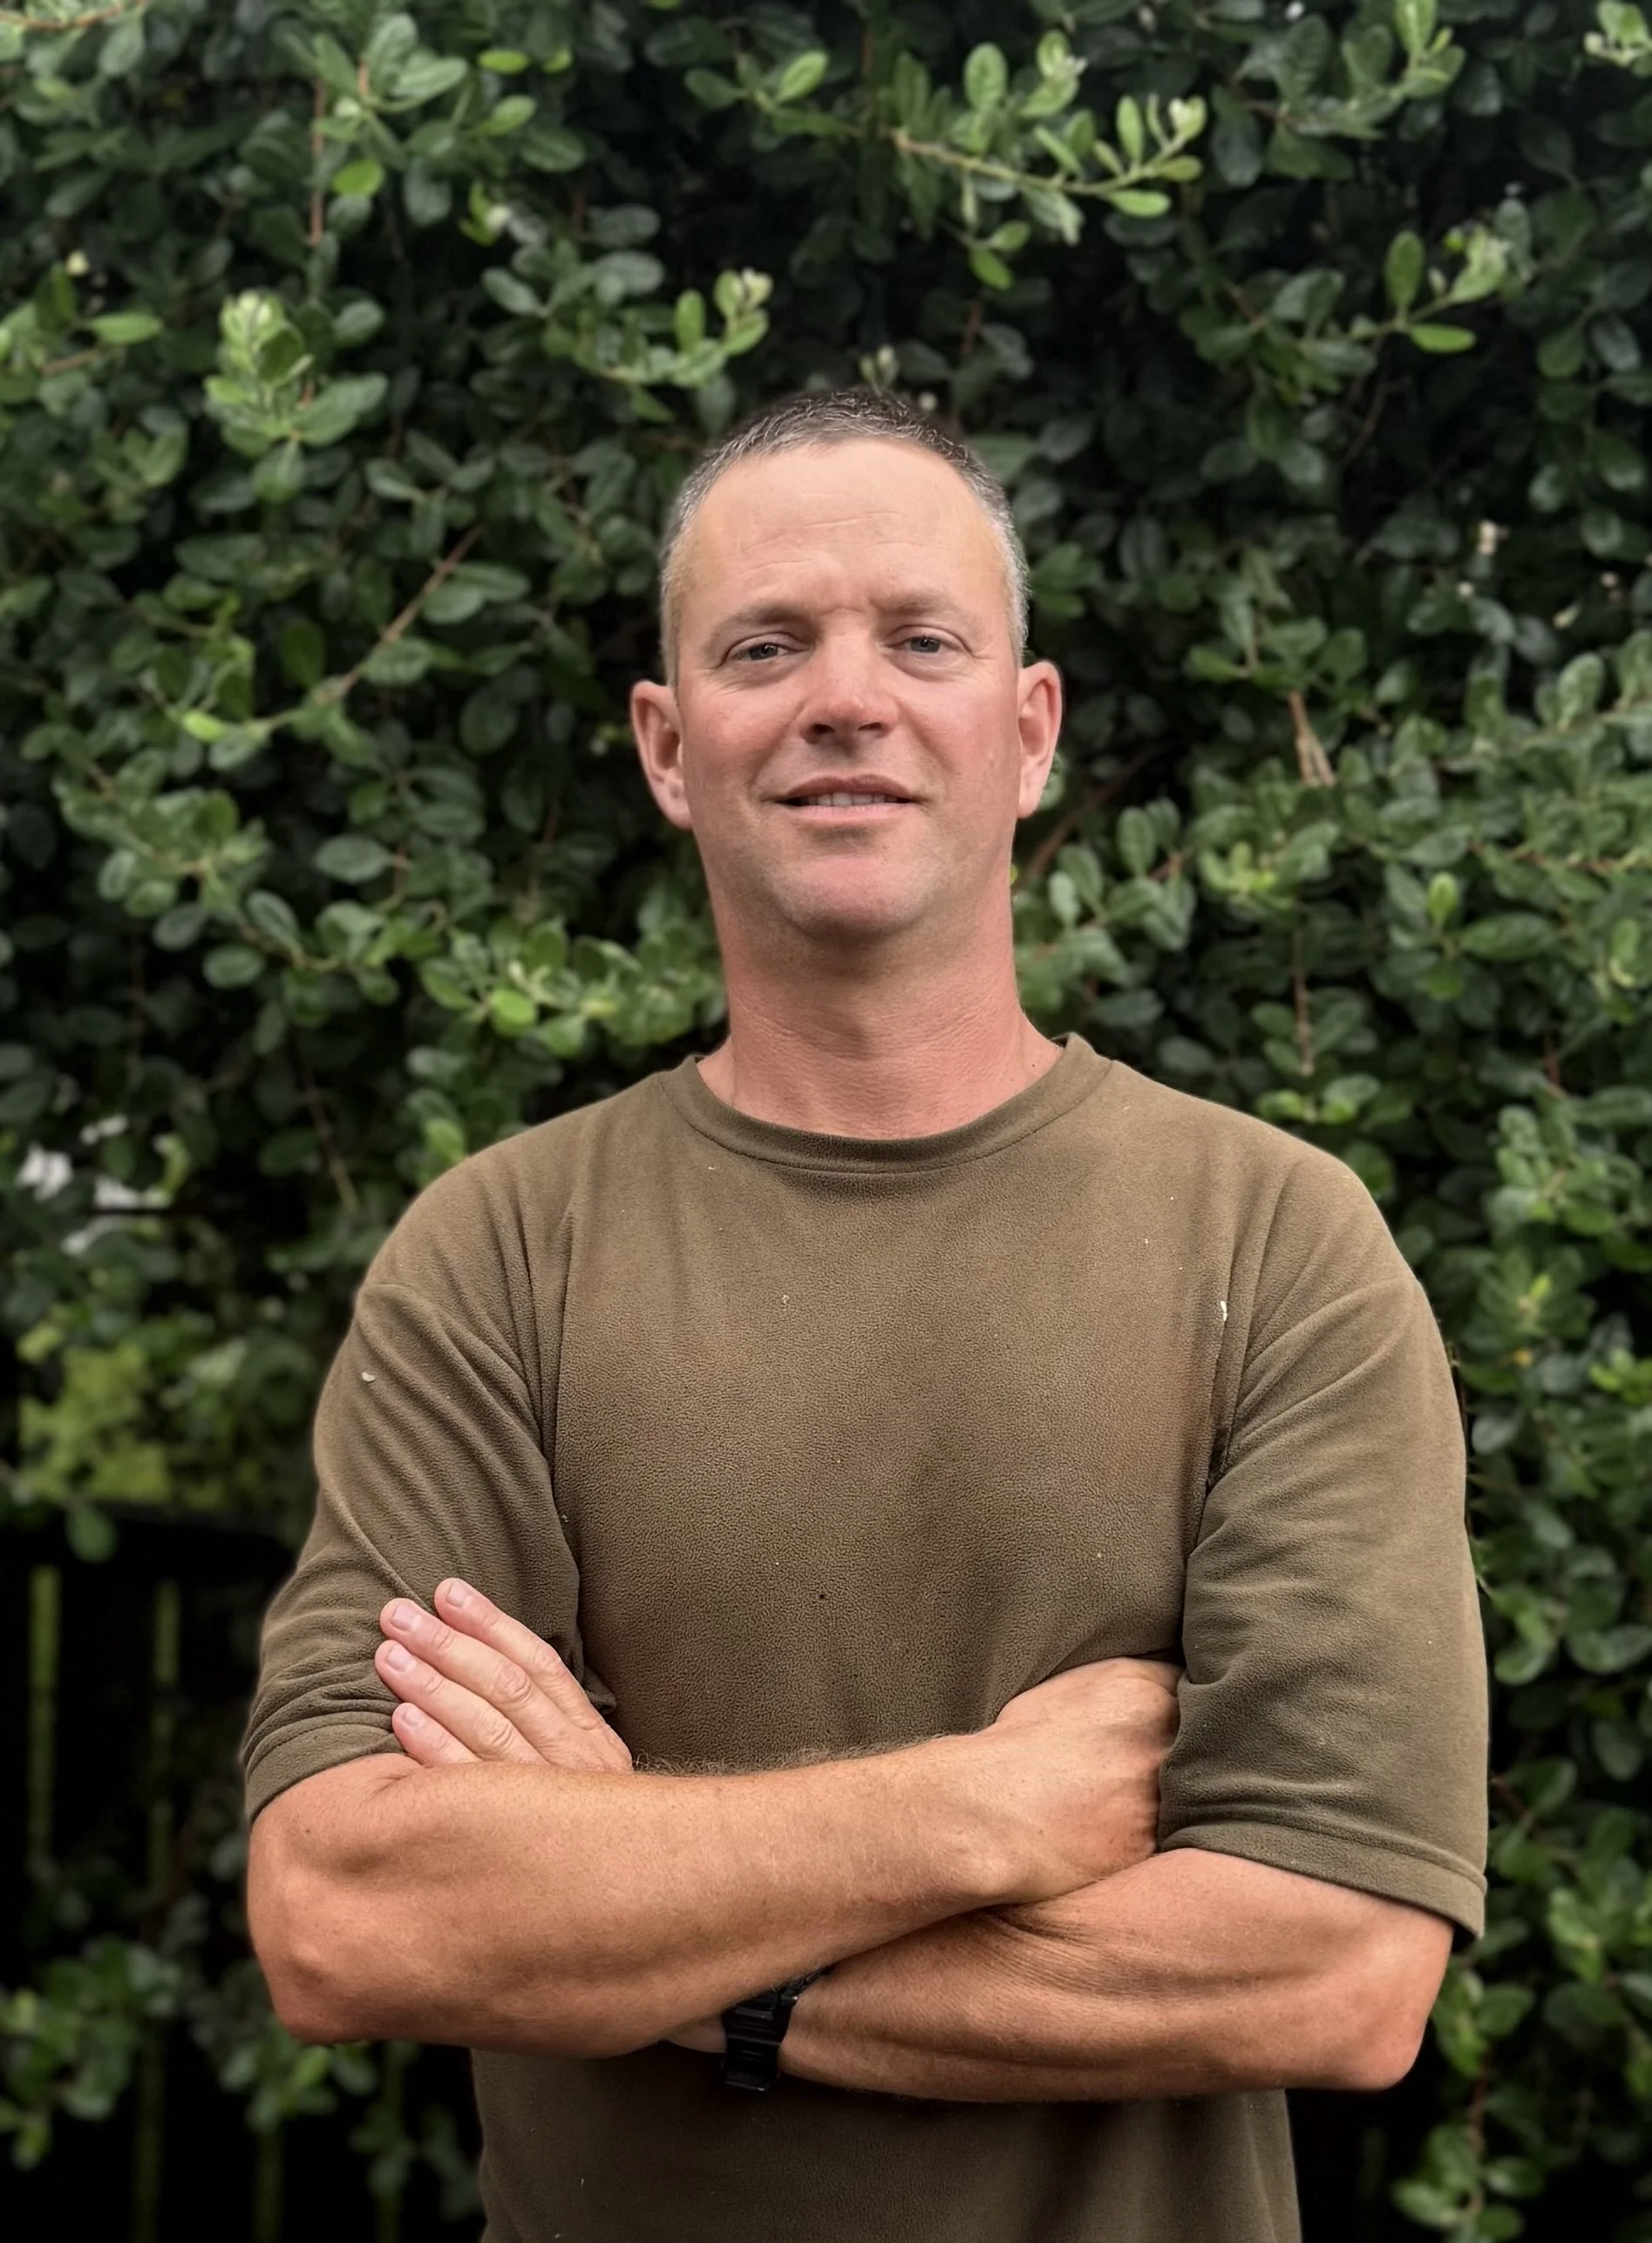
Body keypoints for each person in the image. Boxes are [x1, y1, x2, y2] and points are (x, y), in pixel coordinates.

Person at [242, 387, 1488, 2243]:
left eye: (919, 638)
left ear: (1026, 726)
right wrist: (976, 1810)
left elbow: (1328, 1968)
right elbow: (350, 1912)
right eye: (765, 646)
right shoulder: (500, 1255)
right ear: (668, 747)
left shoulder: (1275, 1243)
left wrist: (661, 1927)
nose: (845, 696)